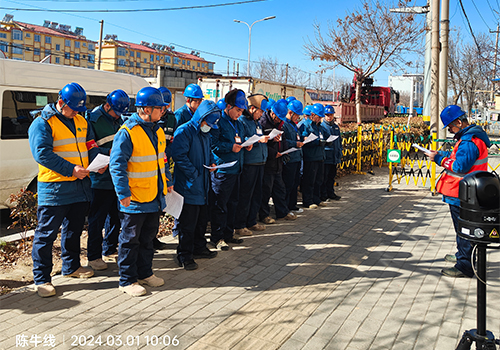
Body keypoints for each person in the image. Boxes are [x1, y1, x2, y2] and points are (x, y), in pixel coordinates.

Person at [28, 82, 103, 298]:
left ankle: (71, 267)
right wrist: (72, 169)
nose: (76, 113)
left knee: (74, 230)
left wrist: (98, 161)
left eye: (80, 109)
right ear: (61, 102)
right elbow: (42, 154)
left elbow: (90, 146)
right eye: (73, 109)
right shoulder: (42, 123)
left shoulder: (81, 120)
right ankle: (41, 279)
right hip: (54, 189)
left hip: (79, 188)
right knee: (46, 235)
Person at [110, 86, 172, 297]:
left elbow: (161, 161)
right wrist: (123, 193)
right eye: (159, 108)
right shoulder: (127, 133)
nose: (162, 112)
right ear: (146, 109)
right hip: (134, 199)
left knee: (148, 239)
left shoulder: (158, 130)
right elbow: (116, 165)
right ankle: (127, 280)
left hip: (154, 196)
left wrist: (167, 181)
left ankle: (145, 273)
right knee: (130, 241)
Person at [427, 105, 490, 278]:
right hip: (462, 191)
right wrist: (444, 154)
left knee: (464, 230)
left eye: (450, 127)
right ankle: (462, 255)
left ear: (459, 122)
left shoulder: (470, 141)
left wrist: (438, 159)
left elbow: (460, 166)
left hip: (463, 192)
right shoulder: (468, 138)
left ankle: (465, 265)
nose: (450, 130)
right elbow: (458, 156)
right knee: (461, 228)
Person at [171, 100, 220, 270]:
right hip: (188, 186)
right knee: (188, 224)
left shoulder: (205, 133)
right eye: (208, 123)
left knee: (201, 220)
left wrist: (212, 163)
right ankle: (184, 255)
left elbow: (209, 153)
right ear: (201, 119)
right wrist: (194, 173)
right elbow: (179, 156)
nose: (209, 127)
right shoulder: (184, 131)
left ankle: (199, 247)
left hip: (203, 185)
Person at [86, 89, 130, 271]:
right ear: (107, 106)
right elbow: (89, 148)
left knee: (115, 217)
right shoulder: (93, 120)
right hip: (100, 178)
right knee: (97, 219)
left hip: (116, 178)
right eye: (115, 112)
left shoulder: (119, 120)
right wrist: (108, 154)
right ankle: (93, 256)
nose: (118, 116)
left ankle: (109, 249)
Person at [210, 89, 251, 250]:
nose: (240, 114)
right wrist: (230, 147)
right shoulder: (218, 121)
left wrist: (246, 144)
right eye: (238, 110)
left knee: (233, 203)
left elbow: (241, 139)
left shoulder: (238, 123)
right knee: (220, 205)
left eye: (242, 111)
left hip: (237, 170)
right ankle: (217, 237)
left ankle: (228, 234)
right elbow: (213, 144)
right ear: (228, 106)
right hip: (223, 171)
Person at [234, 94, 269, 236]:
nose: (261, 115)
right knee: (245, 194)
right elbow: (241, 139)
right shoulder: (242, 121)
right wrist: (257, 140)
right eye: (260, 111)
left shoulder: (257, 122)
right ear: (252, 109)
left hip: (260, 162)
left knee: (256, 193)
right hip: (249, 163)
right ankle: (240, 224)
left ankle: (252, 221)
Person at [259, 99, 297, 223]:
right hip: (268, 162)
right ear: (273, 113)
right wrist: (273, 151)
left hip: (277, 162)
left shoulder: (280, 124)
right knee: (265, 191)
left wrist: (284, 151)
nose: (280, 120)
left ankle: (282, 212)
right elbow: (261, 144)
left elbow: (283, 140)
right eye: (278, 118)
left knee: (280, 189)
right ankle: (264, 215)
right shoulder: (263, 124)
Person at [154, 86, 176, 250]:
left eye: (166, 106)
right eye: (162, 106)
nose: (164, 110)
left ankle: (154, 238)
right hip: (149, 171)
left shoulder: (171, 118)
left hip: (165, 166)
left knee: (160, 206)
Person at [300, 103, 329, 209]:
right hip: (310, 157)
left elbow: (324, 136)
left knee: (318, 180)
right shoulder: (306, 125)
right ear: (312, 115)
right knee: (309, 180)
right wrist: (317, 142)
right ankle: (308, 200)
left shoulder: (320, 127)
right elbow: (305, 140)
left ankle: (316, 199)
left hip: (320, 156)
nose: (320, 119)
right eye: (318, 117)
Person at [282, 99, 304, 214]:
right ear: (290, 113)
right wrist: (295, 144)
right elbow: (284, 141)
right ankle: (285, 207)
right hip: (289, 159)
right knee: (288, 184)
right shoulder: (284, 125)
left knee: (295, 183)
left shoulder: (294, 125)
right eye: (296, 115)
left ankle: (292, 205)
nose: (298, 118)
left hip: (297, 157)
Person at [321, 105, 342, 201]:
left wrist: (339, 152)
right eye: (327, 115)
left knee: (332, 176)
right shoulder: (322, 127)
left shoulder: (336, 127)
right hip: (326, 156)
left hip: (334, 156)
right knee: (324, 177)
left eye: (331, 115)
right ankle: (324, 194)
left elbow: (339, 141)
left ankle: (331, 193)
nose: (329, 117)